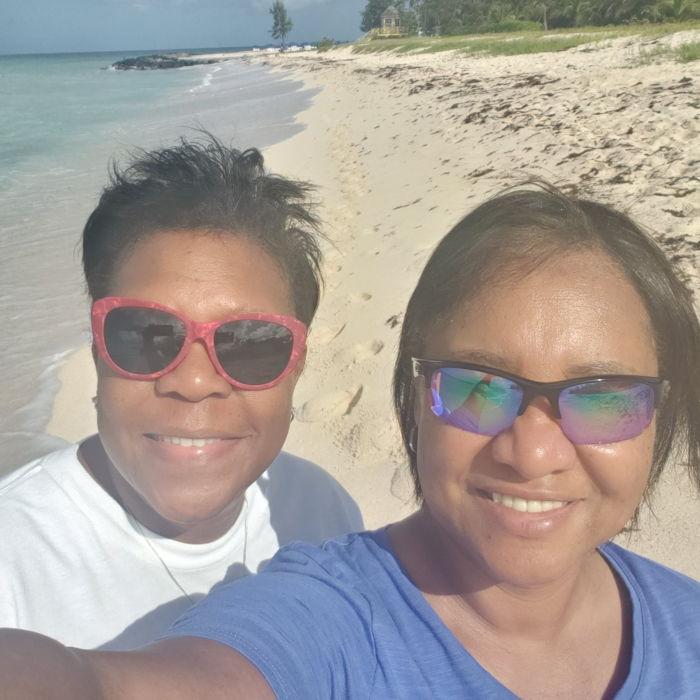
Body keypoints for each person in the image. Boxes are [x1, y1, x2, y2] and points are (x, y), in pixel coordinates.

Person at [2, 182, 699, 698]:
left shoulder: (314, 503)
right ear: (415, 399)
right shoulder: (332, 603)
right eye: (477, 385)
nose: (533, 452)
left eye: (603, 396)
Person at [0, 136, 362, 650]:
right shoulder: (13, 565)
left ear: (296, 367)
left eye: (251, 343)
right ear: (98, 350)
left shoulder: (322, 512)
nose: (194, 383)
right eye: (145, 334)